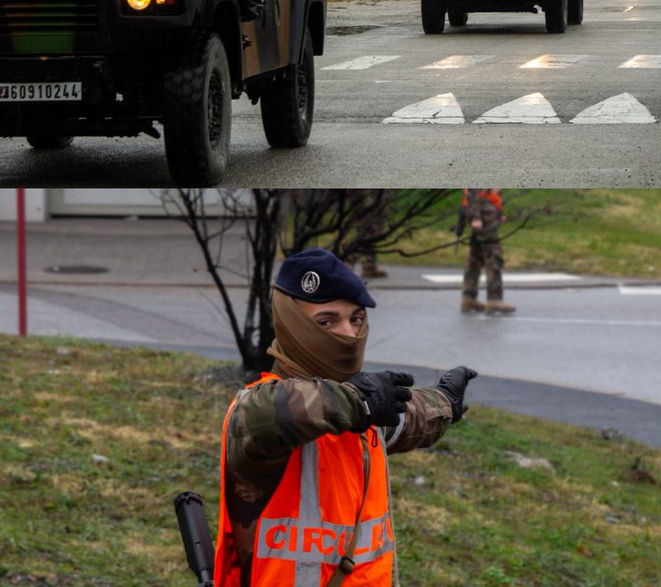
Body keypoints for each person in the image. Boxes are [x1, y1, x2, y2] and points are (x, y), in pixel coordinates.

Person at [213, 247, 476, 586]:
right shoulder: (258, 411)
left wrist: (445, 402)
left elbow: (407, 417)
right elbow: (272, 414)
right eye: (326, 321)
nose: (349, 334)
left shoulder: (362, 409)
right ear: (292, 326)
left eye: (356, 319)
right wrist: (361, 401)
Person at [460, 189, 515, 315]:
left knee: (475, 257)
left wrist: (499, 212)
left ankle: (469, 297)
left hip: (484, 211)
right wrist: (476, 217)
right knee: (493, 256)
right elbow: (472, 190)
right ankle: (494, 299)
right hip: (484, 215)